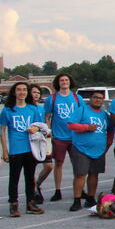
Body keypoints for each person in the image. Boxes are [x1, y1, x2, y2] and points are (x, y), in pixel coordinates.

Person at [0, 81, 44, 217]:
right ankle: (13, 204)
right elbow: (2, 129)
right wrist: (4, 150)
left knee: (30, 177)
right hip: (16, 149)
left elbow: (39, 126)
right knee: (14, 178)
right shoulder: (8, 110)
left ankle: (30, 203)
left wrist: (35, 128)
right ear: (14, 92)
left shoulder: (32, 109)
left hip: (31, 148)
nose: (22, 92)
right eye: (19, 90)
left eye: (24, 90)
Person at [66, 89, 112, 212]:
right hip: (81, 148)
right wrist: (87, 127)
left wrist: (108, 143)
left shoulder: (104, 114)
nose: (98, 100)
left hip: (98, 149)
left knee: (94, 174)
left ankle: (90, 198)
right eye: (95, 97)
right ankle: (77, 199)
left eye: (100, 98)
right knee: (80, 174)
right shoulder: (81, 110)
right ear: (90, 99)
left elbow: (111, 130)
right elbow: (71, 125)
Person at [41, 73, 81, 202]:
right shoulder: (52, 99)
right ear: (58, 83)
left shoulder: (77, 98)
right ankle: (57, 190)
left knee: (77, 164)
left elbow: (82, 115)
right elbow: (47, 116)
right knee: (58, 163)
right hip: (59, 136)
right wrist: (48, 130)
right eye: (61, 80)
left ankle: (79, 189)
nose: (64, 82)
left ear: (70, 82)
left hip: (74, 136)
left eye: (66, 80)